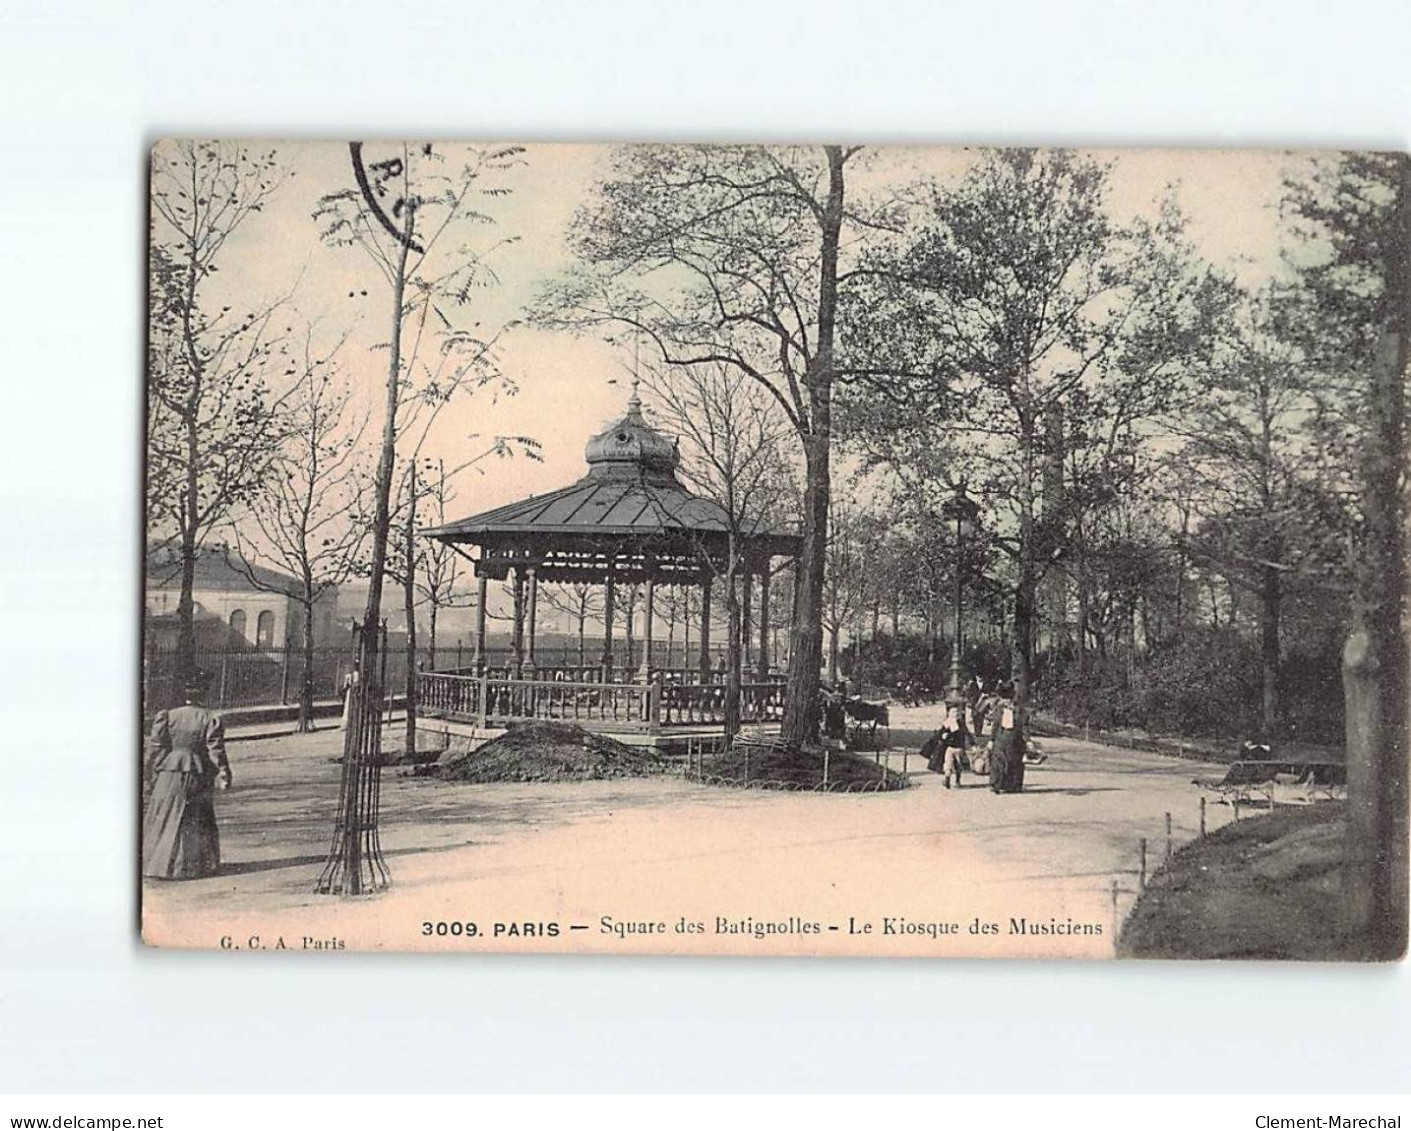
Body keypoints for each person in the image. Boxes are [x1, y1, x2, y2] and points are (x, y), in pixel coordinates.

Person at [142, 671, 232, 880]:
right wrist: (223, 773)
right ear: (204, 693)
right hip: (195, 773)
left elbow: (155, 749)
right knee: (192, 817)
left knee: (164, 816)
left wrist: (150, 773)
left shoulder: (168, 716)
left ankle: (156, 864)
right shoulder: (209, 718)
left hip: (169, 772)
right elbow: (215, 750)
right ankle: (189, 866)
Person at [985, 681, 1025, 794]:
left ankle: (1012, 785)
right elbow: (996, 725)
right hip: (1000, 737)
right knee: (998, 760)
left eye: (1008, 698)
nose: (1006, 701)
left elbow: (1023, 725)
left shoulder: (1018, 709)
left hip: (1014, 738)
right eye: (1004, 698)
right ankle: (995, 784)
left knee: (1013, 761)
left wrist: (1027, 740)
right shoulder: (999, 709)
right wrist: (991, 740)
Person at [938, 696, 970, 789]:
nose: (955, 714)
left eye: (956, 712)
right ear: (949, 713)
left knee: (953, 765)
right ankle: (951, 779)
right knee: (954, 765)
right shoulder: (956, 723)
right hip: (954, 748)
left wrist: (944, 735)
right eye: (953, 712)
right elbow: (942, 732)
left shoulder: (951, 723)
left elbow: (965, 733)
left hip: (954, 748)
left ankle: (951, 778)